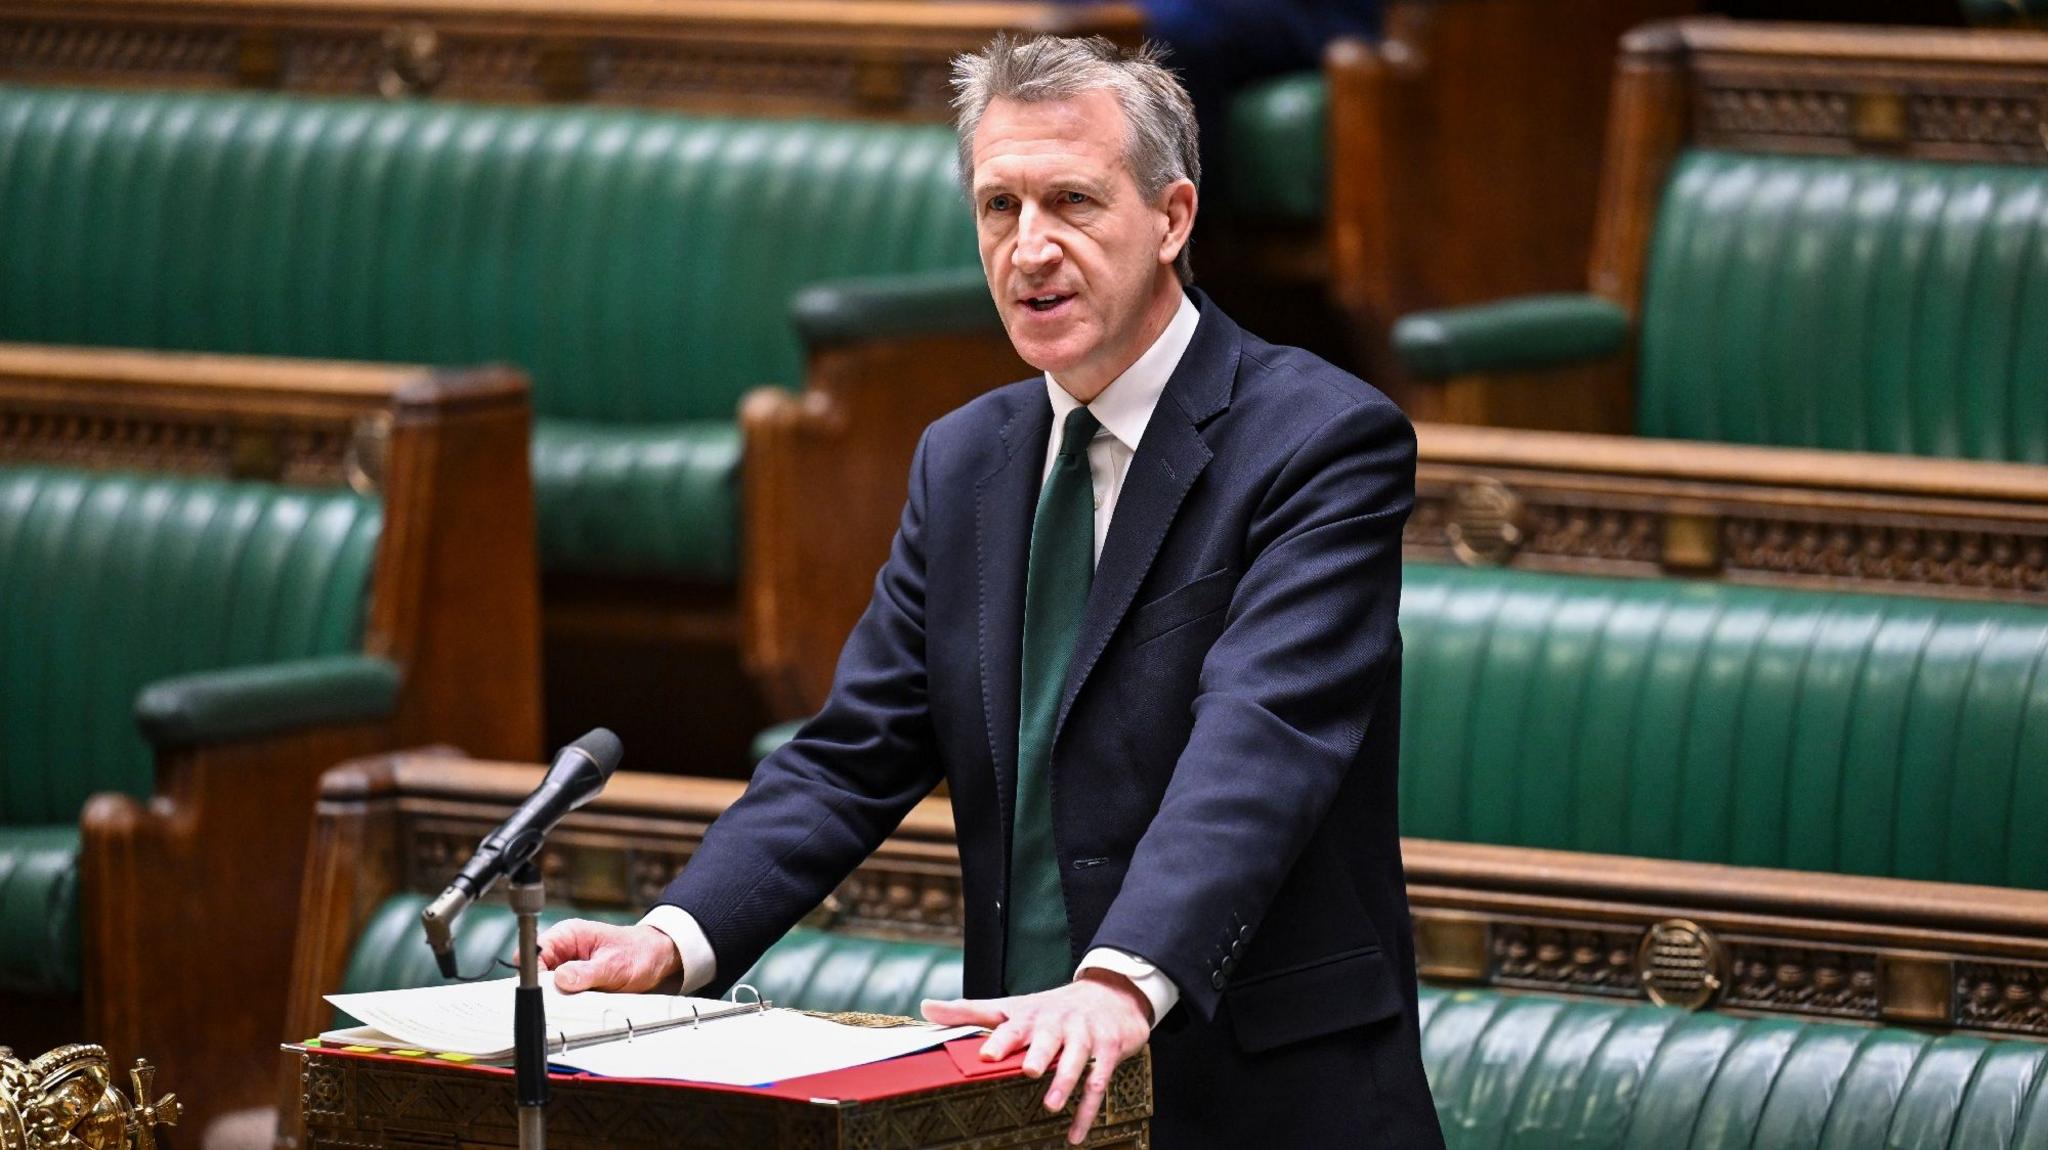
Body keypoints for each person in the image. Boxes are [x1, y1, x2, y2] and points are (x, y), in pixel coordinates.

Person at [538, 34, 1444, 1148]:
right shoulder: (965, 460)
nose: (1029, 248)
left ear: (1171, 219)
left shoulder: (1318, 441)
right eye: (997, 206)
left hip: (1262, 1097)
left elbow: (1260, 736)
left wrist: (1119, 977)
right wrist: (677, 937)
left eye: (1070, 201)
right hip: (1020, 1084)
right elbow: (851, 753)